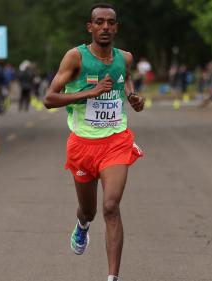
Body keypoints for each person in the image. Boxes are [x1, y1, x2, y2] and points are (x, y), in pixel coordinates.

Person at [43, 4, 144, 281]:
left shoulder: (125, 58)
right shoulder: (75, 57)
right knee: (89, 209)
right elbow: (49, 99)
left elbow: (128, 86)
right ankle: (82, 224)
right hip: (82, 145)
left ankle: (113, 277)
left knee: (110, 206)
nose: (105, 27)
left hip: (116, 141)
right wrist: (89, 93)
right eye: (99, 22)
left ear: (116, 27)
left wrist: (135, 99)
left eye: (110, 22)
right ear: (90, 27)